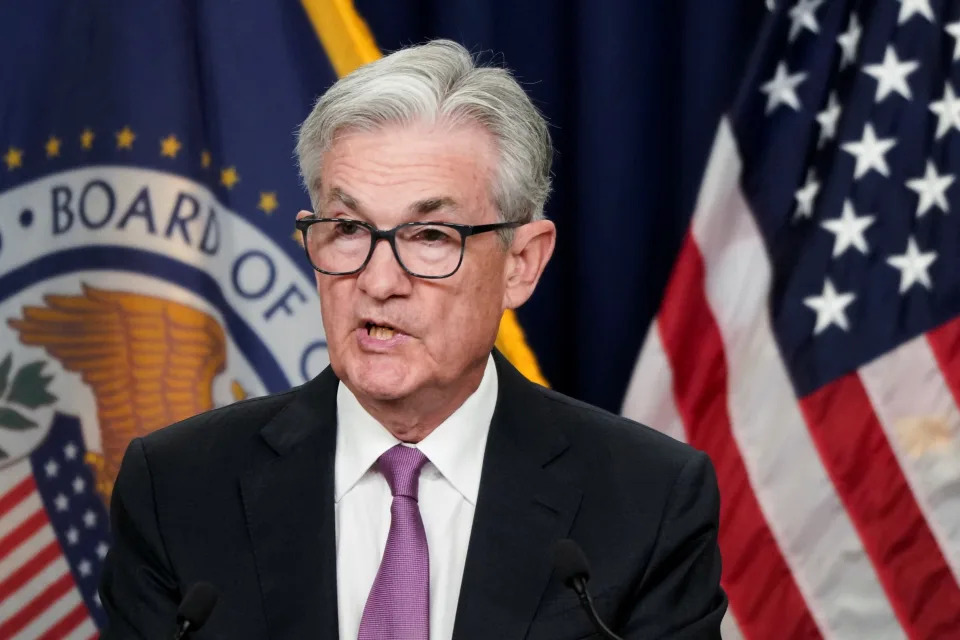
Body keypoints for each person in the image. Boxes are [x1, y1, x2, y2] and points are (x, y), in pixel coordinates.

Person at [99, 39, 726, 639]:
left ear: (521, 264)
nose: (377, 281)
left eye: (429, 236)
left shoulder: (648, 501)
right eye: (347, 227)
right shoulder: (177, 489)